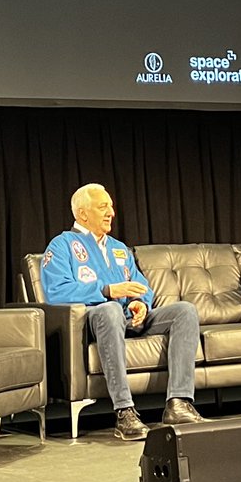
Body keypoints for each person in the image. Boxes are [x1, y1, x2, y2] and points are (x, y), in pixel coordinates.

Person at [41, 183, 204, 441]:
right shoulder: (62, 246)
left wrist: (141, 302)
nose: (111, 212)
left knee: (184, 311)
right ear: (83, 214)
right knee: (110, 310)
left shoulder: (118, 247)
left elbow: (140, 285)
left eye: (111, 206)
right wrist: (106, 290)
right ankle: (124, 411)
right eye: (103, 206)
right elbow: (57, 291)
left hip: (128, 315)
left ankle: (179, 403)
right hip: (93, 318)